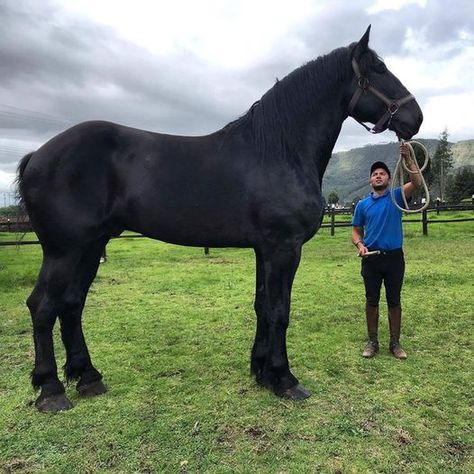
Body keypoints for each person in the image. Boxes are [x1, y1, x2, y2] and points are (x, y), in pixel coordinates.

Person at [351, 142, 421, 359]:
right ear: (371, 180)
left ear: (389, 179)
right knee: (371, 299)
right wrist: (360, 245)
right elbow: (355, 231)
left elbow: (417, 182)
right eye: (375, 174)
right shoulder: (362, 205)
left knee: (394, 300)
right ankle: (372, 342)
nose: (378, 176)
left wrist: (408, 158)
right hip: (371, 258)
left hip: (394, 258)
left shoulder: (396, 196)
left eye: (382, 173)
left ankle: (395, 343)